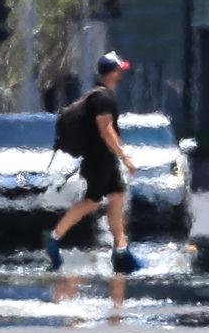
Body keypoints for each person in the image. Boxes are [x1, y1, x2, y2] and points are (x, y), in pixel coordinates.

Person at [45, 51, 140, 273]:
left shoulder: (104, 95)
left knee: (117, 197)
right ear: (114, 72)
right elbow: (106, 131)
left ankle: (121, 251)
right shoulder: (103, 98)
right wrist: (125, 158)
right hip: (98, 159)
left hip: (106, 159)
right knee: (92, 202)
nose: (121, 73)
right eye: (119, 69)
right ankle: (53, 238)